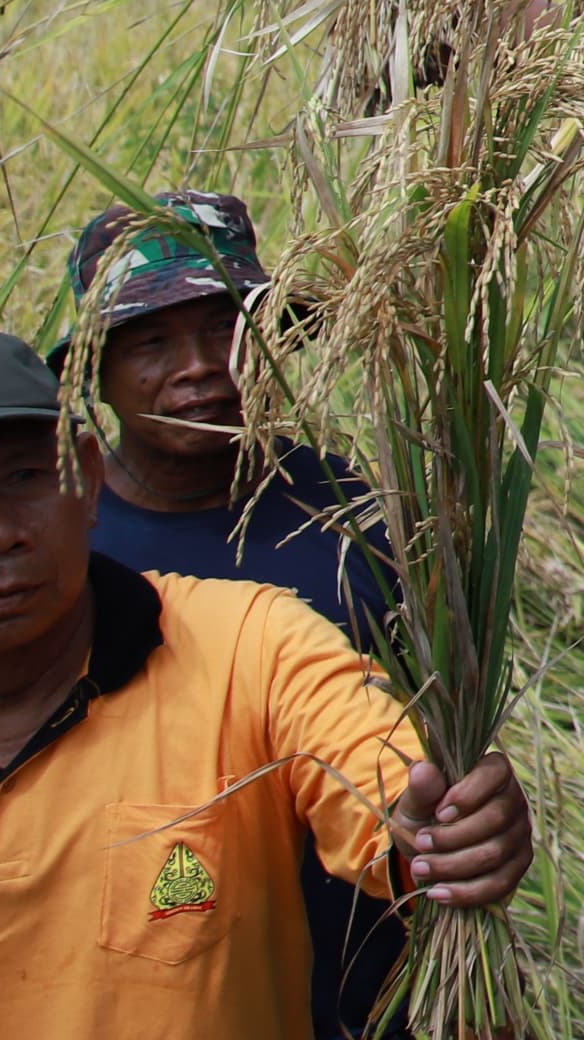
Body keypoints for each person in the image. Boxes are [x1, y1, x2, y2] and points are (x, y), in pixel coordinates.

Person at [0, 327, 532, 1037]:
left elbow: (387, 796)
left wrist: (442, 829)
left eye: (27, 479)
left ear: (89, 480)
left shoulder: (249, 645)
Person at [59, 192, 408, 1038]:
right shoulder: (62, 547)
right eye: (150, 342)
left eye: (227, 328)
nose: (200, 368)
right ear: (95, 371)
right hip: (153, 971)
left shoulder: (357, 510)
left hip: (365, 950)